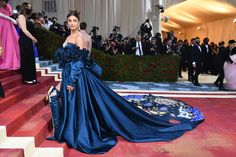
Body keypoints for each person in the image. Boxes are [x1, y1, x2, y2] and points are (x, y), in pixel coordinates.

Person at [46, 10, 204, 154]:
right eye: (69, 21)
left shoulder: (80, 37)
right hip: (69, 74)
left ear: (78, 22)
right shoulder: (68, 37)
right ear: (67, 23)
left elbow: (81, 61)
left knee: (79, 106)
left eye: (74, 20)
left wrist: (71, 81)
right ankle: (63, 133)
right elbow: (74, 60)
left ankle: (75, 134)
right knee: (73, 104)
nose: (72, 23)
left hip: (77, 77)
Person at [18, 2, 38, 84]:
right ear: (24, 7)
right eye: (28, 7)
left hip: (29, 40)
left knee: (30, 59)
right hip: (24, 40)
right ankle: (26, 78)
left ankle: (32, 77)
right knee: (26, 58)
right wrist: (33, 38)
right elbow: (24, 29)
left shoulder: (27, 18)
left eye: (30, 7)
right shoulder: (21, 16)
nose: (29, 8)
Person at [0, 0, 20, 70]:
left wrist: (14, 19)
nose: (2, 2)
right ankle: (4, 61)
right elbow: (1, 15)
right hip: (2, 25)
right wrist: (11, 19)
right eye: (1, 1)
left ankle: (12, 61)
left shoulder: (8, 6)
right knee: (4, 42)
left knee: (11, 43)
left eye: (3, 1)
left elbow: (10, 14)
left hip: (9, 26)